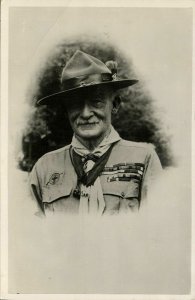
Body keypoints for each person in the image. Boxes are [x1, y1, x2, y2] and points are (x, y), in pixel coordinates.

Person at [29, 50, 162, 216]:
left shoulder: (144, 159)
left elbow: (157, 231)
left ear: (114, 104)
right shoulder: (44, 168)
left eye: (96, 102)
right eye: (76, 104)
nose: (85, 114)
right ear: (66, 110)